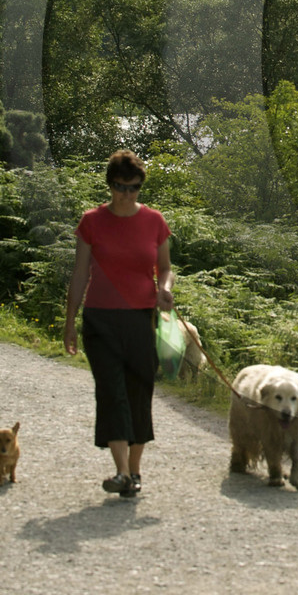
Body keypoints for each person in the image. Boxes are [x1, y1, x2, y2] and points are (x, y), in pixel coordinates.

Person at [64, 149, 174, 498]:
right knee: (111, 393)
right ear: (109, 185)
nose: (126, 194)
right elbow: (80, 273)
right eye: (120, 187)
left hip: (141, 317)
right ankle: (122, 472)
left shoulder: (154, 221)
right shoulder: (91, 221)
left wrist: (165, 290)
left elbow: (166, 269)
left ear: (141, 186)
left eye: (134, 187)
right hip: (101, 319)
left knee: (139, 392)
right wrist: (70, 321)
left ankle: (135, 471)